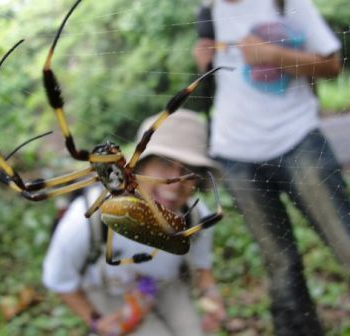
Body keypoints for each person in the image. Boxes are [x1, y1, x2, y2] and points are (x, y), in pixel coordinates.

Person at [193, 0, 350, 335]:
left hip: (297, 138)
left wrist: (274, 55)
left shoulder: (286, 3)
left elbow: (333, 64)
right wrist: (203, 60)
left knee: (344, 240)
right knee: (279, 262)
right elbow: (214, 68)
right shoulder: (207, 11)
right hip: (234, 152)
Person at [42, 109, 226, 336]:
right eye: (164, 164)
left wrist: (211, 294)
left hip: (165, 285)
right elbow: (59, 279)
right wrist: (97, 322)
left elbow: (201, 265)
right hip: (111, 291)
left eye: (189, 172)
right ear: (140, 167)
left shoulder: (195, 215)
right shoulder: (85, 220)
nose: (176, 183)